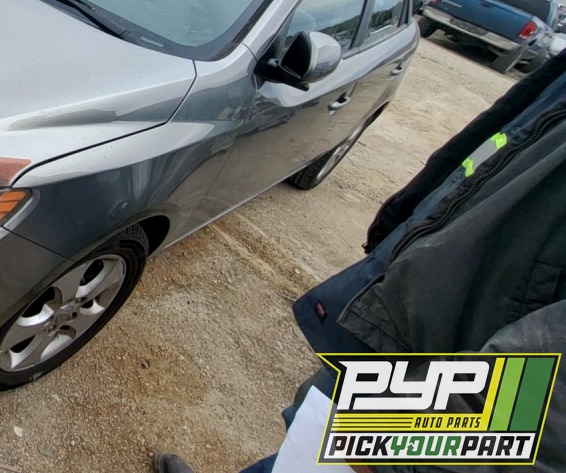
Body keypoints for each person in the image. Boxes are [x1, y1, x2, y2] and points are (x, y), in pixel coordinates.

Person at [156, 50, 566, 473]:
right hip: (419, 307)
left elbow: (549, 400)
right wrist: (407, 214)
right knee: (309, 433)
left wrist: (399, 453)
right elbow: (503, 136)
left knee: (328, 455)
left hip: (464, 368)